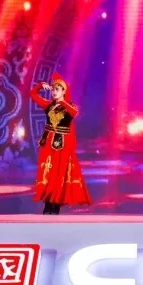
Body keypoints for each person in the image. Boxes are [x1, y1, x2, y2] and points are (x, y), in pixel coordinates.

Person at [29, 73, 92, 214]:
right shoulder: (48, 105)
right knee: (47, 172)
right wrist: (40, 85)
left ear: (64, 91)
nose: (54, 92)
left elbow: (73, 112)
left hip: (62, 144)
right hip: (48, 143)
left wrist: (62, 101)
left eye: (57, 89)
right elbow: (32, 94)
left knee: (59, 174)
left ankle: (55, 205)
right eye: (53, 89)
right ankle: (47, 205)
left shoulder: (69, 106)